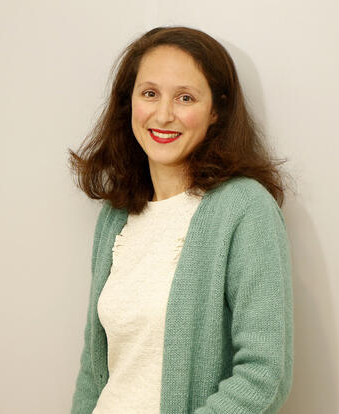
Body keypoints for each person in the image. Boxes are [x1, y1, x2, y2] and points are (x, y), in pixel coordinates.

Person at [68, 26, 294, 414]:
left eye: (185, 97)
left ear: (216, 111)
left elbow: (264, 375)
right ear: (129, 102)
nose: (163, 114)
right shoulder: (116, 216)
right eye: (149, 93)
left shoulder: (244, 209)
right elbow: (93, 370)